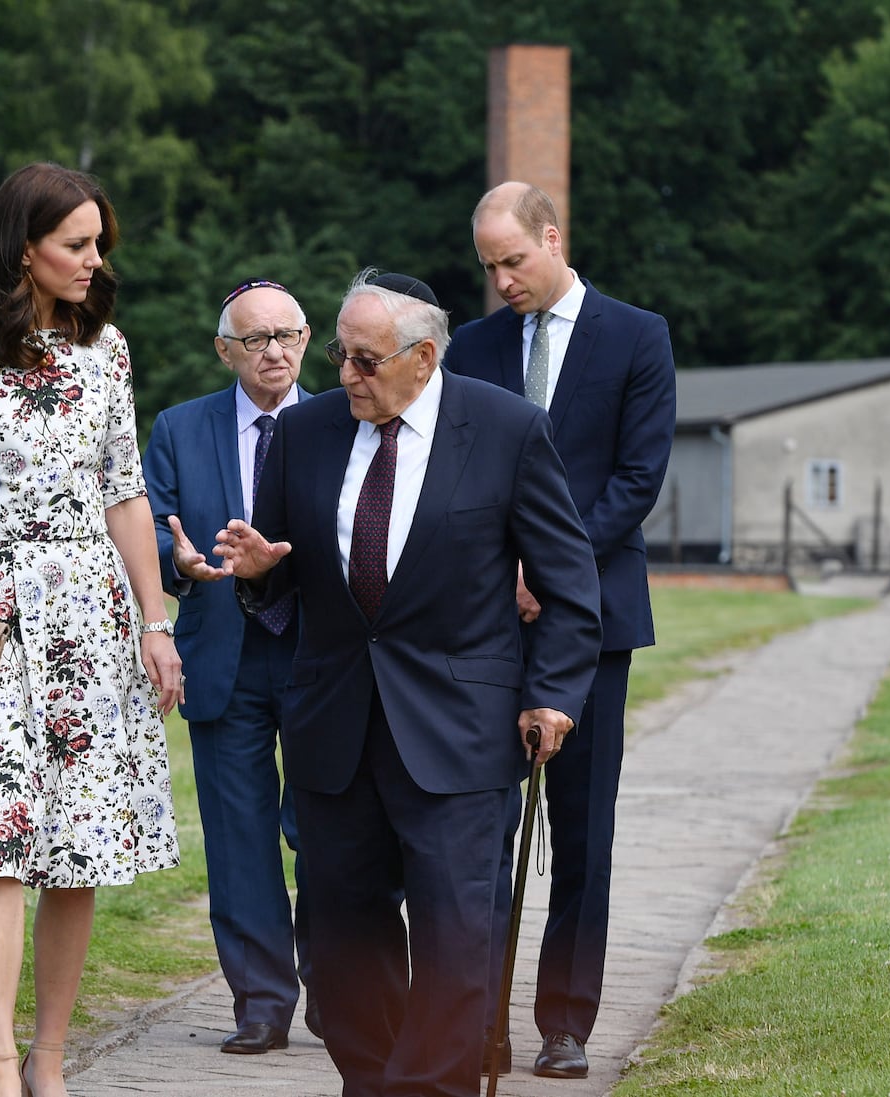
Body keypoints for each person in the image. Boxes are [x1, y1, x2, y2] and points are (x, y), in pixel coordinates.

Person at [212, 270, 602, 1097]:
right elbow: (282, 575)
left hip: (460, 727)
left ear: (422, 358)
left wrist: (553, 693)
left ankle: (432, 1085)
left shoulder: (506, 430)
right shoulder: (307, 434)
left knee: (459, 929)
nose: (345, 375)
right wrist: (256, 573)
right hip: (335, 727)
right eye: (340, 356)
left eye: (364, 360)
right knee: (344, 936)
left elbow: (570, 586)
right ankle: (377, 1077)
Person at [0, 161, 182, 1097]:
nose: (95, 261)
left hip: (94, 617)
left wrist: (155, 620)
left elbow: (125, 492)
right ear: (24, 250)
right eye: (77, 244)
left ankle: (50, 1057)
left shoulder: (110, 352)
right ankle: (0, 1062)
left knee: (79, 844)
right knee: (2, 838)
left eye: (99, 245)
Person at [443, 181, 676, 1080]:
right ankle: (478, 1017)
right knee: (481, 828)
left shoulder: (636, 336)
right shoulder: (472, 347)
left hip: (594, 622)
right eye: (488, 267)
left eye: (513, 261)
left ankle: (565, 1022)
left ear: (552, 238)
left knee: (581, 830)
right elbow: (459, 472)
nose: (502, 280)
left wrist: (550, 566)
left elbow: (637, 478)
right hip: (489, 621)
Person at [142, 278, 316, 1053]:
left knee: (328, 833)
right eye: (255, 339)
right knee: (239, 837)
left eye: (286, 334)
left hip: (324, 656)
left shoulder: (344, 419)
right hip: (224, 654)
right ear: (225, 351)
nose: (273, 351)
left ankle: (341, 992)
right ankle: (262, 1004)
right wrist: (174, 562)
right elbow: (146, 526)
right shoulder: (181, 428)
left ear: (308, 339)